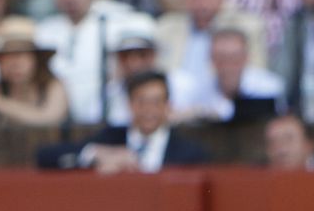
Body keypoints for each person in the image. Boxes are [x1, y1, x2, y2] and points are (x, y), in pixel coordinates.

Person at [66, 68, 210, 170]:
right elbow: (49, 155)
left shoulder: (189, 153)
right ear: (130, 104)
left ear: (168, 106)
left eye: (156, 102)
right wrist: (98, 154)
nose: (149, 109)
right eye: (141, 102)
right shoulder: (112, 137)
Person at [0, 14, 68, 124]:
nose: (15, 64)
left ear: (36, 59)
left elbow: (49, 120)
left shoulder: (53, 86)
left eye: (21, 56)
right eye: (7, 57)